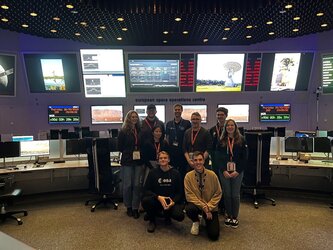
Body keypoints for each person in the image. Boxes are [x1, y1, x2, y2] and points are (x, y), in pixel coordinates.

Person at [215, 119, 247, 228]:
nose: (230, 127)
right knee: (227, 194)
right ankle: (228, 216)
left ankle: (235, 217)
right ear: (225, 128)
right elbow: (217, 157)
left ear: (235, 127)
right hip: (224, 171)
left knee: (235, 194)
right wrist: (223, 170)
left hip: (237, 172)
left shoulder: (241, 140)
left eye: (232, 125)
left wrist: (237, 171)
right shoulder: (221, 140)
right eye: (228, 125)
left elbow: (245, 158)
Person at [142, 151, 185, 233]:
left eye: (165, 158)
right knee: (146, 201)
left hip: (170, 201)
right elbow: (146, 190)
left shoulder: (176, 173)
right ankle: (152, 220)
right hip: (157, 200)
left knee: (180, 216)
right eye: (161, 158)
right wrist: (158, 197)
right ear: (158, 161)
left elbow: (180, 192)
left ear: (169, 160)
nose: (163, 160)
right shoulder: (152, 173)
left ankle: (166, 215)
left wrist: (173, 202)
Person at [184, 151, 222, 241]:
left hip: (211, 208)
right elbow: (189, 196)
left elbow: (218, 193)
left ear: (204, 161)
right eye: (195, 160)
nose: (198, 162)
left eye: (200, 160)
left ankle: (205, 218)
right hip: (197, 207)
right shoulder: (188, 176)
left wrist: (208, 207)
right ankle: (196, 221)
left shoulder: (212, 175)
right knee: (189, 209)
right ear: (192, 162)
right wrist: (203, 206)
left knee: (214, 235)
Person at [118, 110, 144, 219]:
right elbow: (119, 147)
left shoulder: (140, 130)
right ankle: (128, 206)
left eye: (136, 117)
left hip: (138, 161)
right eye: (132, 117)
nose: (134, 118)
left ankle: (135, 207)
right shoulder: (123, 131)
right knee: (128, 185)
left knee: (137, 185)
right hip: (128, 161)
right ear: (128, 118)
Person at [209, 107, 228, 214]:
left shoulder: (230, 129)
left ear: (226, 116)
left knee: (225, 183)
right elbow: (210, 146)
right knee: (217, 184)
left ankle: (225, 206)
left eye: (222, 114)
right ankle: (218, 205)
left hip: (226, 161)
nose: (220, 116)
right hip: (216, 161)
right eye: (218, 115)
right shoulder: (212, 130)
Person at [166, 104, 191, 179]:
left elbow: (189, 137)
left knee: (183, 173)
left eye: (178, 109)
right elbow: (167, 137)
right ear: (173, 111)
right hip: (172, 153)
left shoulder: (187, 123)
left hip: (182, 153)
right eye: (175, 110)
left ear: (181, 110)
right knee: (172, 173)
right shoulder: (169, 124)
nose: (177, 111)